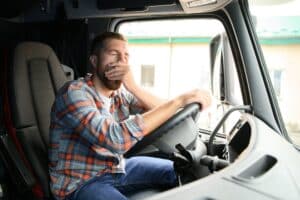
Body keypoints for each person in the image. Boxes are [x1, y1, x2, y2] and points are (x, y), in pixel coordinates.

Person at [48, 31, 212, 200]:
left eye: (126, 56)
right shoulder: (74, 93)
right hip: (80, 182)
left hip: (115, 167)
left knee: (186, 170)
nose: (121, 62)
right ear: (95, 61)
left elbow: (165, 112)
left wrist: (135, 88)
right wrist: (179, 101)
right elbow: (115, 139)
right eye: (113, 54)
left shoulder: (119, 93)